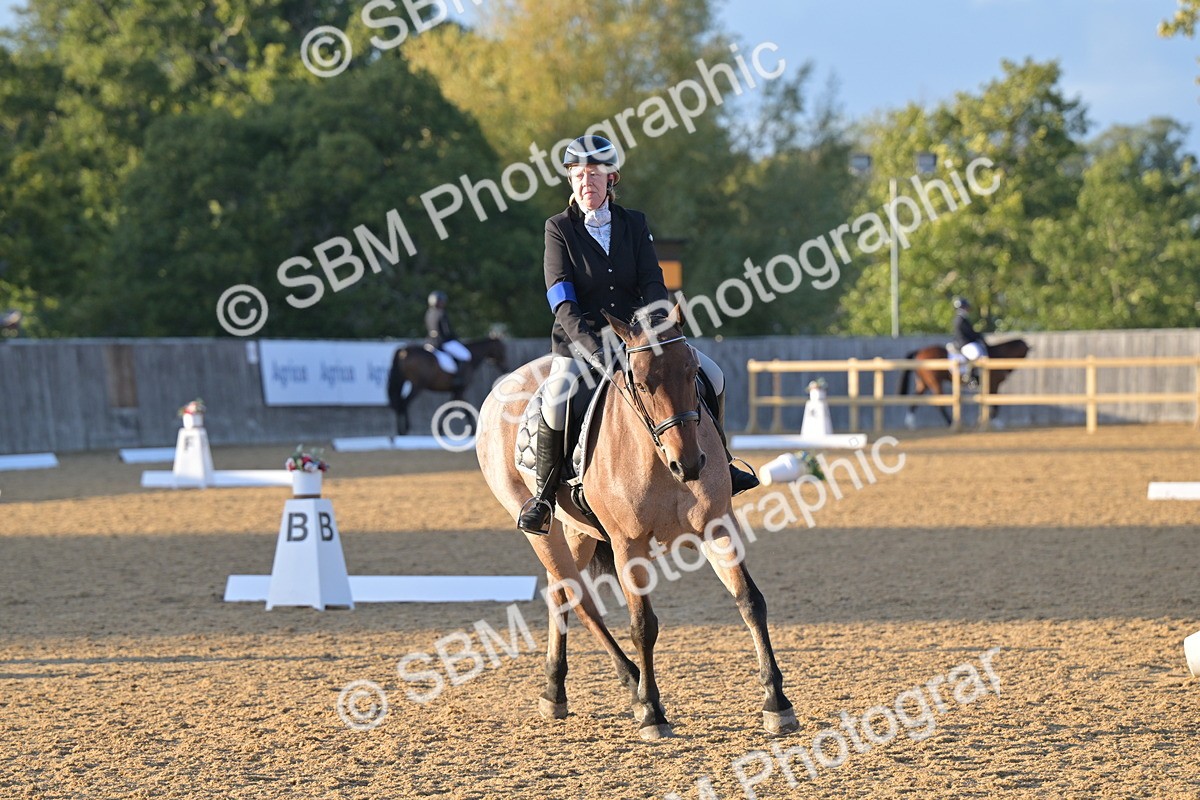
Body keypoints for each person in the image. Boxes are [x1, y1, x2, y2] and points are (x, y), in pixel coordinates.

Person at [516, 134, 758, 535]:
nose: (585, 183)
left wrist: (655, 332)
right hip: (581, 342)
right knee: (558, 396)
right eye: (577, 175)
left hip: (639, 341)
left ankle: (723, 463)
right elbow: (562, 300)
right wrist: (595, 351)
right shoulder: (557, 228)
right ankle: (543, 496)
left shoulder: (634, 223)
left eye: (593, 175)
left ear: (612, 179)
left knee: (712, 374)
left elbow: (652, 282)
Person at [425, 290, 471, 389]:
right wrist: (456, 339)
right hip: (442, 342)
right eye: (442, 301)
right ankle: (458, 379)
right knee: (466, 355)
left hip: (430, 342)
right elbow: (447, 332)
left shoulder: (429, 313)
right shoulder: (442, 314)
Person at [950, 296, 987, 388]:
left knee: (981, 350)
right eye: (965, 307)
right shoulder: (960, 320)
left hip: (967, 342)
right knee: (976, 353)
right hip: (964, 344)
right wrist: (977, 336)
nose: (967, 309)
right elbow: (968, 334)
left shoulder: (963, 319)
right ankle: (970, 377)